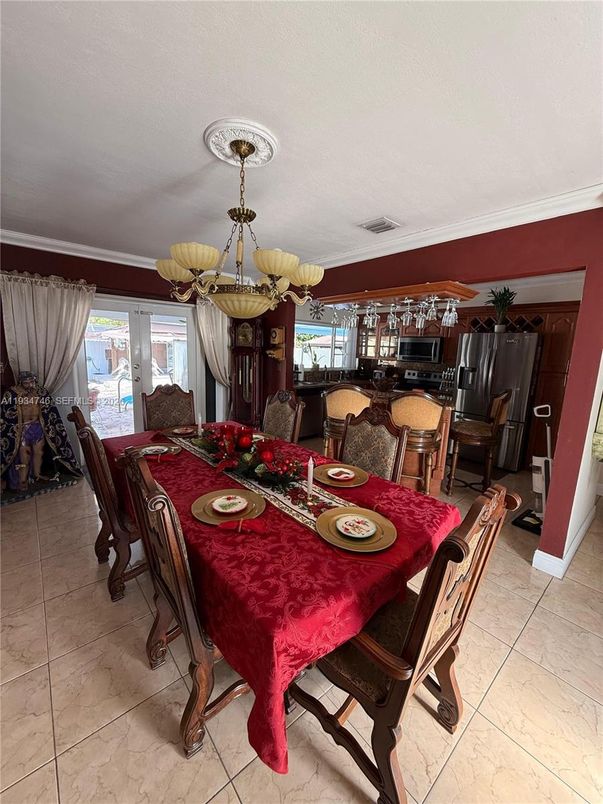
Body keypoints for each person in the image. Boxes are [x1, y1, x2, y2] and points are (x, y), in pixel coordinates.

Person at [0, 371, 81, 492]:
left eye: (31, 382)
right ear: (20, 382)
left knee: (39, 452)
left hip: (37, 427)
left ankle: (37, 475)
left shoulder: (41, 392)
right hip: (23, 429)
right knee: (24, 455)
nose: (29, 385)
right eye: (26, 382)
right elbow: (6, 414)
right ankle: (22, 481)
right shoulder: (12, 393)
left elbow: (50, 410)